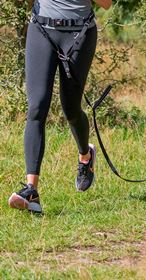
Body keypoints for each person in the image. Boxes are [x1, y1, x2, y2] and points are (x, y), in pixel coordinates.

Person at [8, 0, 112, 213]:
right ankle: (31, 191)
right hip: (41, 29)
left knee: (71, 109)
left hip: (79, 33)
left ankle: (85, 155)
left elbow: (107, 3)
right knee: (36, 107)